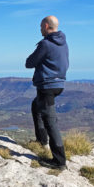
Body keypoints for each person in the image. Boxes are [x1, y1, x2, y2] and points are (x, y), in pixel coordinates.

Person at [26, 15, 69, 170]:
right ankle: (41, 141)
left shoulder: (46, 44)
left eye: (40, 26)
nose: (39, 29)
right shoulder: (63, 42)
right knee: (36, 106)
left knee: (50, 120)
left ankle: (59, 161)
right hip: (59, 84)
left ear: (45, 26)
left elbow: (29, 63)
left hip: (47, 86)